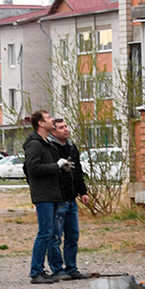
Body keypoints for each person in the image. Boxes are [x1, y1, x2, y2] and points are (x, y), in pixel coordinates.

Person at [24, 109, 66, 284]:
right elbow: (33, 168)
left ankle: (42, 270)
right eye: (48, 118)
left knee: (50, 233)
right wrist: (55, 166)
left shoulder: (46, 143)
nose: (52, 120)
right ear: (41, 123)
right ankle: (36, 271)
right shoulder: (34, 144)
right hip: (43, 194)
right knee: (44, 233)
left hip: (52, 193)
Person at [47, 116, 88, 280]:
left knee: (73, 235)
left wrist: (83, 191)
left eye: (66, 126)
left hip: (72, 198)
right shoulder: (50, 148)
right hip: (58, 198)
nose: (66, 129)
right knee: (55, 236)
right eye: (62, 127)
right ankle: (57, 269)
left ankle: (72, 267)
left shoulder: (72, 147)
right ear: (54, 131)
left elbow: (77, 171)